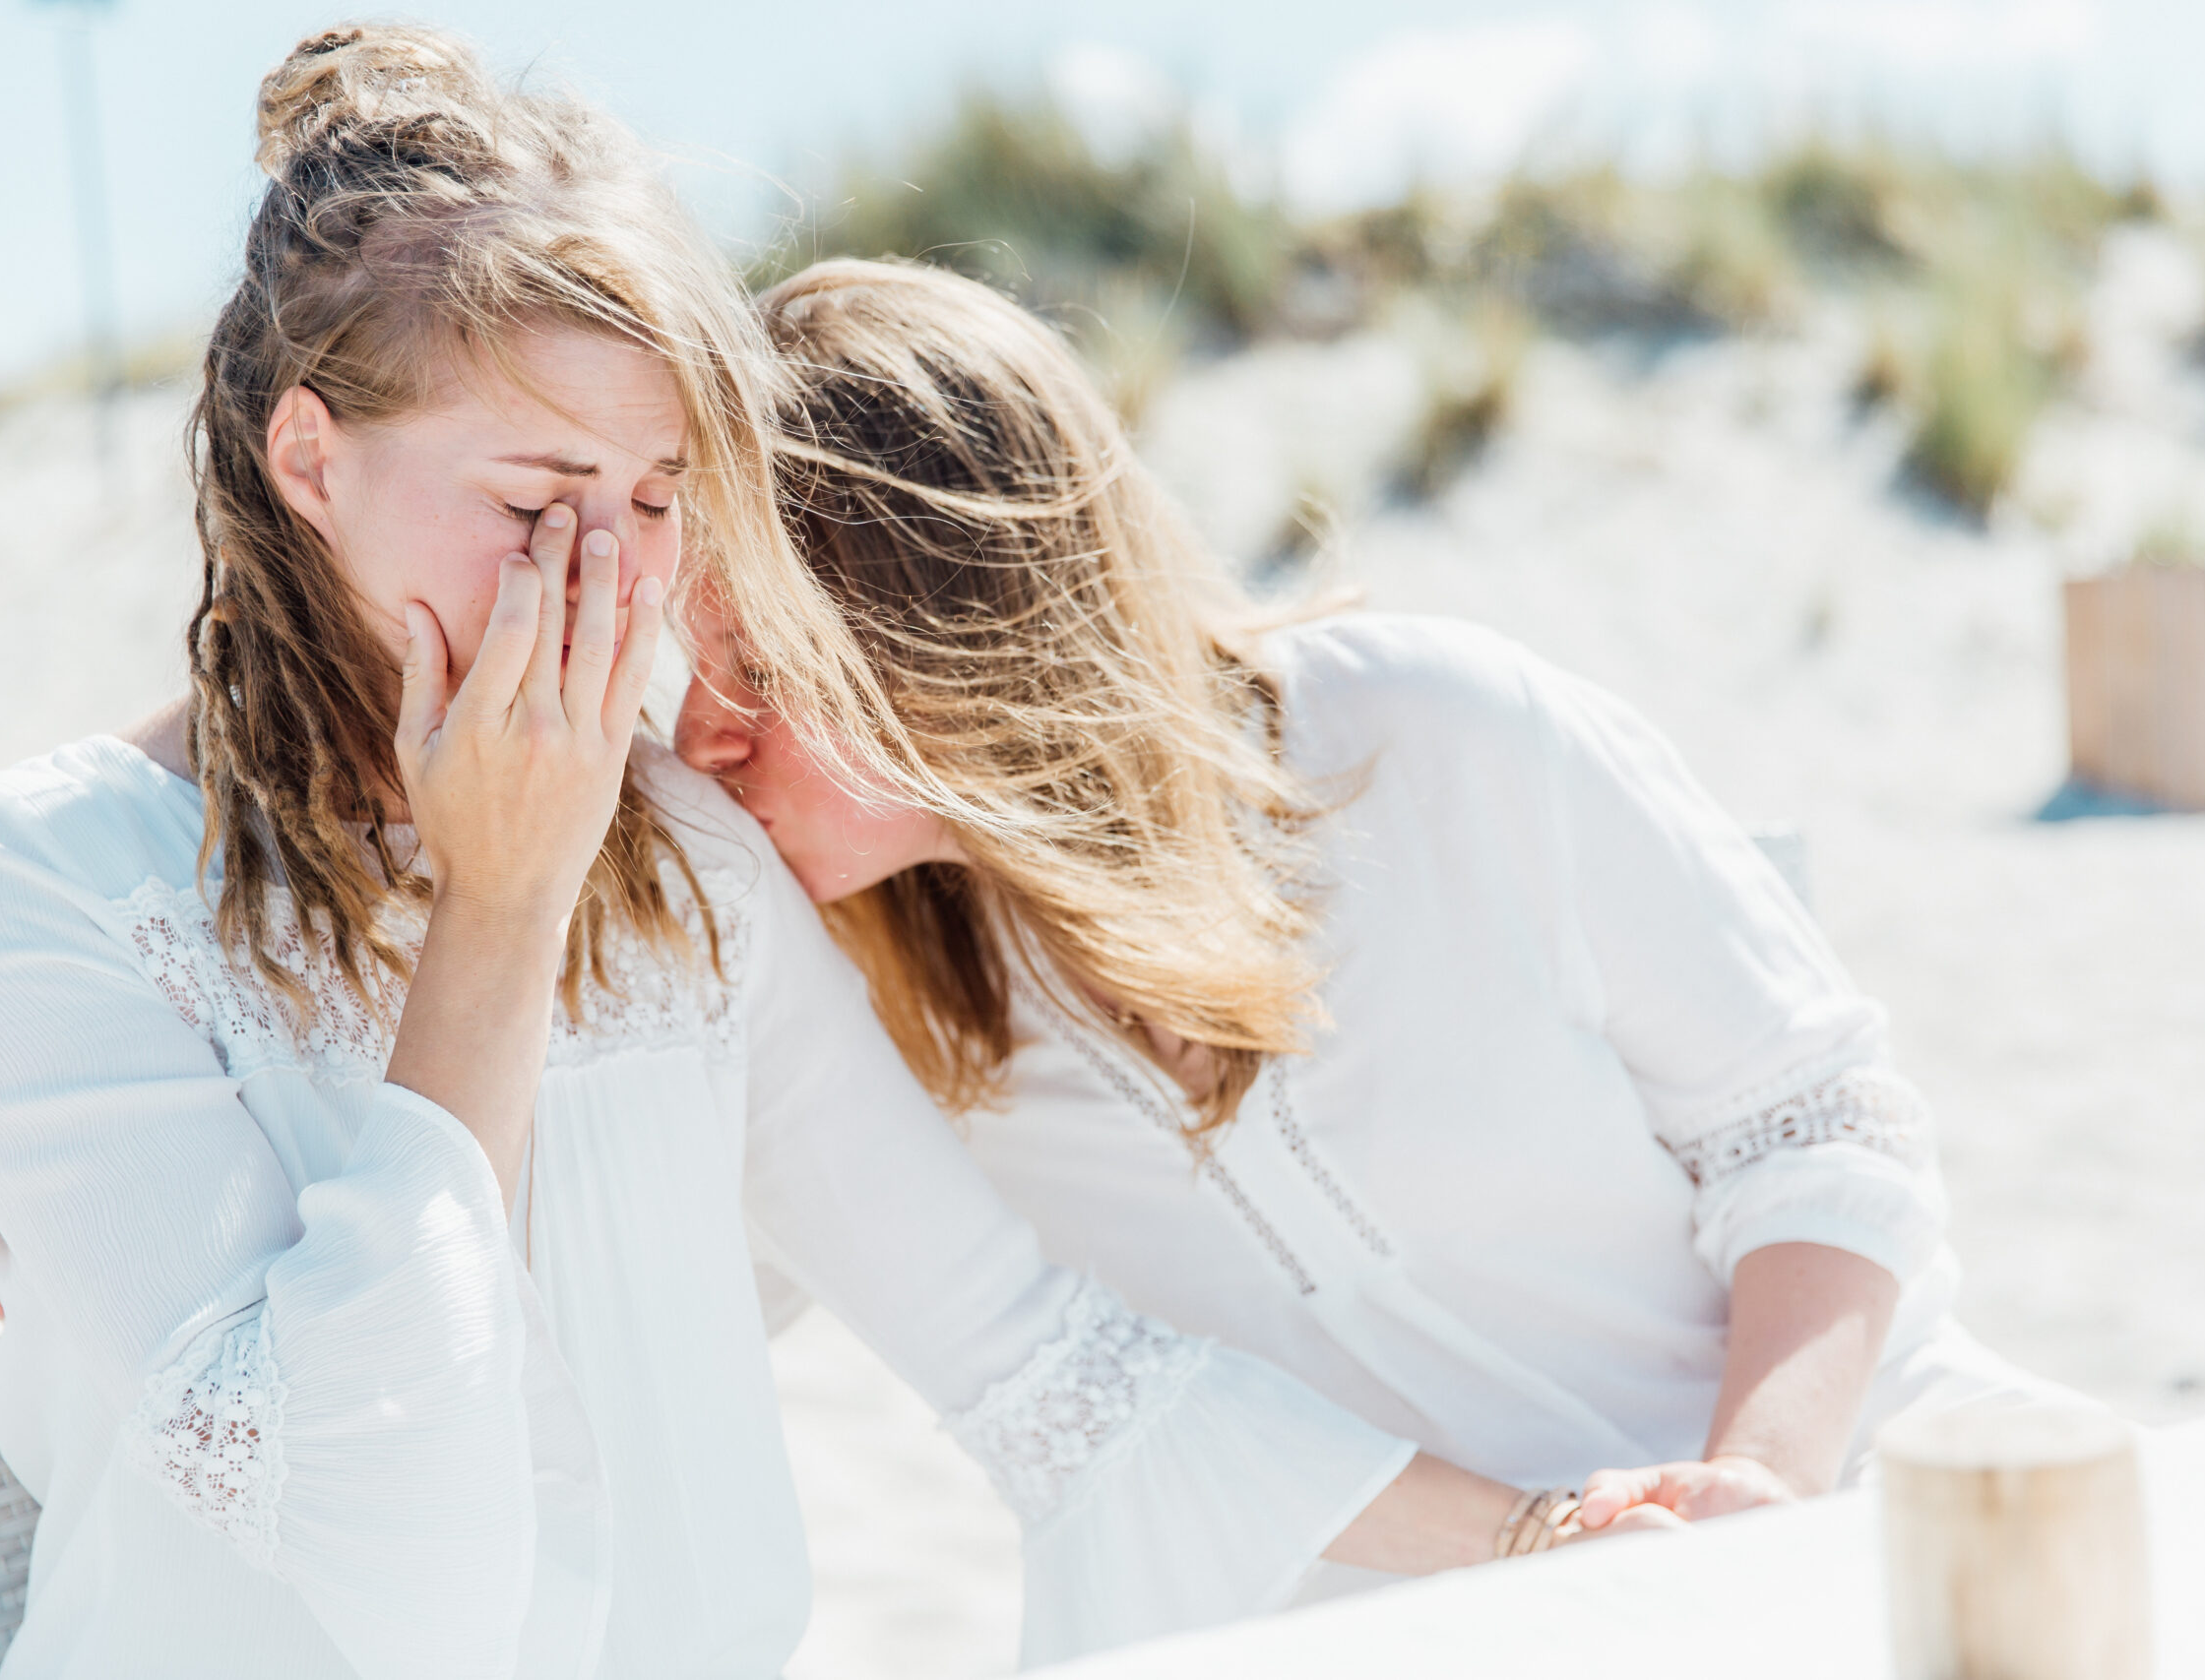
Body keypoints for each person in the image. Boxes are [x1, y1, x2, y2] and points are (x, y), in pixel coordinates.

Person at [0, 33, 1612, 1679]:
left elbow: (1044, 1367)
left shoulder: (690, 867)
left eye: (654, 499)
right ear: (309, 459)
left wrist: (1548, 1535)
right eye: (532, 493)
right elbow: (360, 1511)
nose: (605, 573)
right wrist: (501, 907)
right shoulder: (32, 882)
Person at [658, 259, 2088, 1577]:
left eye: (761, 670)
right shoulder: (858, 1005)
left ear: (957, 631)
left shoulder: (1434, 733)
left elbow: (1812, 1122)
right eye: (688, 664)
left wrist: (1751, 1496)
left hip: (1874, 1520)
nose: (701, 736)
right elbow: (641, 1327)